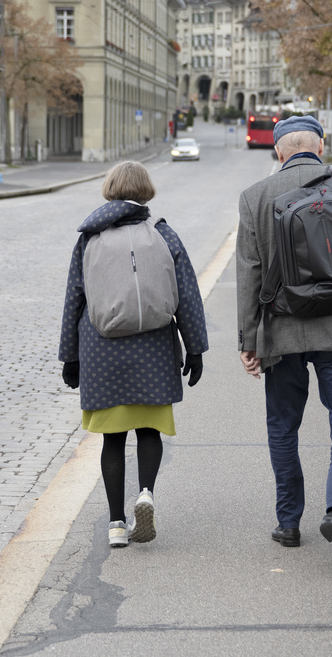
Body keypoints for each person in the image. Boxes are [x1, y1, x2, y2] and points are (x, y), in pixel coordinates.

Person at [236, 115, 332, 573]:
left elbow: (248, 273)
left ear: (279, 153)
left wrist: (249, 340)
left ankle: (288, 523)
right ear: (320, 148)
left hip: (281, 330)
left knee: (282, 427)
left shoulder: (254, 197)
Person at [59, 161, 208, 548]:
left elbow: (75, 297)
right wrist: (195, 349)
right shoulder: (162, 233)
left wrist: (69, 357)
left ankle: (115, 523)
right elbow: (187, 294)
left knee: (112, 440)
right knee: (148, 430)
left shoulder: (89, 237)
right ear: (146, 190)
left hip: (101, 348)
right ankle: (145, 492)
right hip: (153, 346)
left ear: (109, 188)